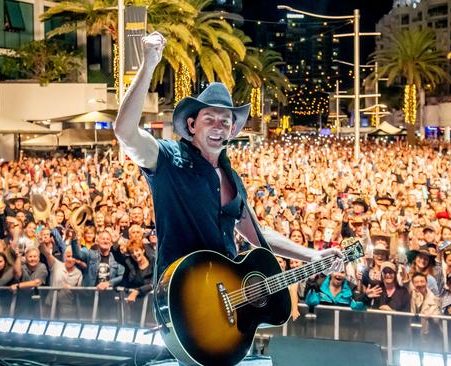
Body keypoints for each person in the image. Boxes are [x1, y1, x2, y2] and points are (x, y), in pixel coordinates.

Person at [112, 31, 343, 287]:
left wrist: (311, 254)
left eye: (225, 122)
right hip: (181, 296)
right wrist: (148, 65)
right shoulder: (168, 159)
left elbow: (258, 235)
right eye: (209, 119)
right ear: (192, 125)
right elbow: (125, 131)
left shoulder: (231, 179)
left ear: (233, 131)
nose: (217, 127)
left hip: (225, 297)